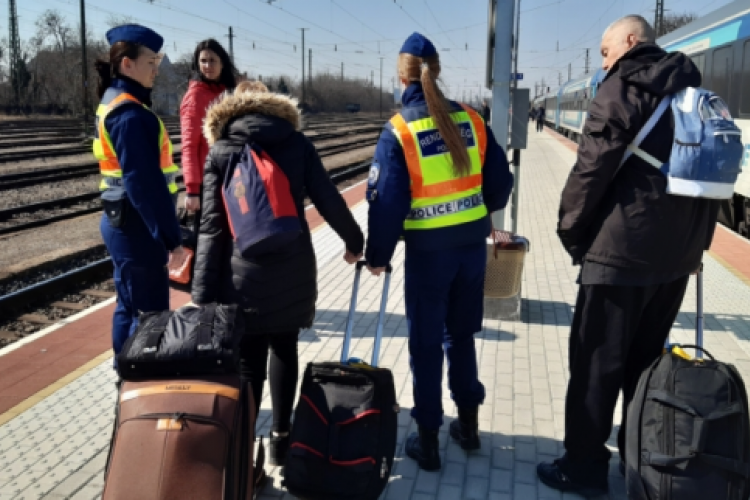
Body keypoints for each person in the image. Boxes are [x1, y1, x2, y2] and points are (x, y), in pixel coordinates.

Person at [537, 15, 718, 497]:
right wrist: (695, 248)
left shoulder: (623, 87)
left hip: (620, 253)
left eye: (605, 49)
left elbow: (591, 170)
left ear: (631, 42)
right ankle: (640, 464)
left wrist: (572, 234)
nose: (603, 59)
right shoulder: (692, 93)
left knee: (595, 367)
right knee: (643, 368)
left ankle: (584, 469)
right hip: (675, 262)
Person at [191, 82, 365, 466]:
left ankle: (245, 448)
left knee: (249, 359)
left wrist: (201, 294)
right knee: (284, 348)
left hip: (241, 272)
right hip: (293, 264)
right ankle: (282, 440)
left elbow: (211, 227)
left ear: (232, 108)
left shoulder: (221, 151)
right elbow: (327, 197)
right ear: (276, 106)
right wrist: (355, 241)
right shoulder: (297, 143)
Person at [364, 33, 514, 472]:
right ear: (438, 68)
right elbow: (501, 183)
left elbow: (388, 202)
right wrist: (477, 211)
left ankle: (427, 440)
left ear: (401, 74)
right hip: (470, 251)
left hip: (429, 257)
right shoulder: (472, 119)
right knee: (460, 336)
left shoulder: (400, 129)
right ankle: (468, 426)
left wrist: (377, 255)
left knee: (426, 344)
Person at [93, 24, 186, 367]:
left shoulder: (113, 102)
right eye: (151, 61)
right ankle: (140, 384)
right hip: (138, 226)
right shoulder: (131, 114)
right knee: (150, 317)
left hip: (122, 222)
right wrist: (171, 238)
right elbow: (144, 185)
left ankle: (126, 375)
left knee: (129, 306)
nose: (156, 69)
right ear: (127, 64)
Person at [180, 39, 238, 213]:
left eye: (212, 60)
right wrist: (192, 190)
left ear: (222, 63)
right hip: (210, 181)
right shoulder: (195, 97)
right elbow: (189, 145)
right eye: (203, 61)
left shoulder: (230, 92)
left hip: (232, 176)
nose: (207, 66)